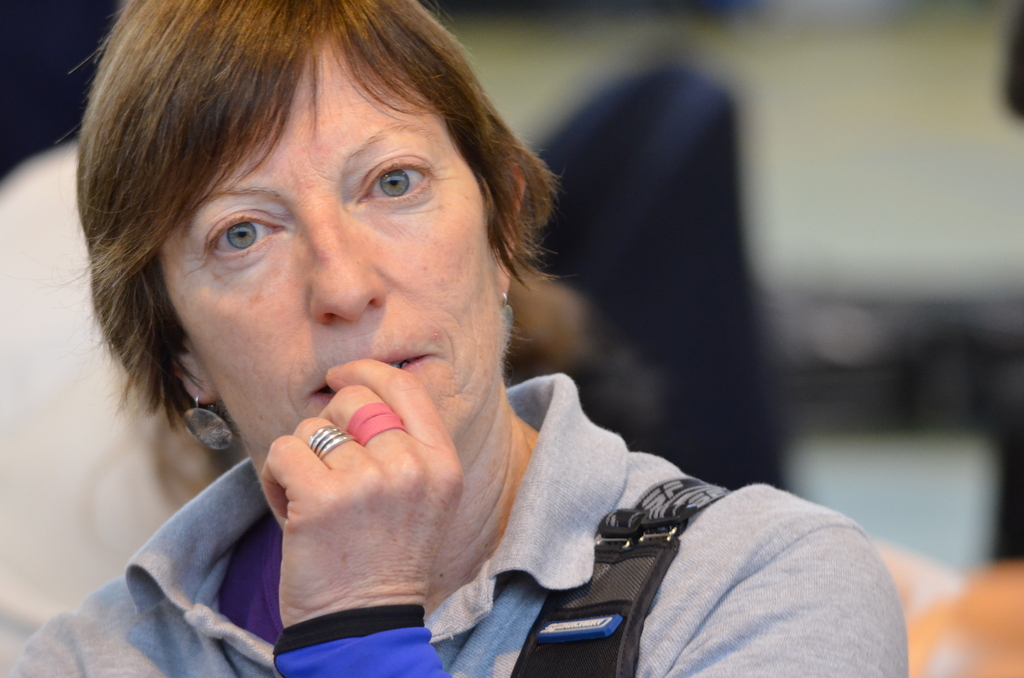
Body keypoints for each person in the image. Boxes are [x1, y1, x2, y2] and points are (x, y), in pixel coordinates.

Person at [11, 0, 907, 675]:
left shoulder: (756, 587)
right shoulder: (84, 661)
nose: (344, 286)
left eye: (393, 183)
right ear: (179, 354)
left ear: (503, 230)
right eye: (243, 234)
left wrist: (358, 627)